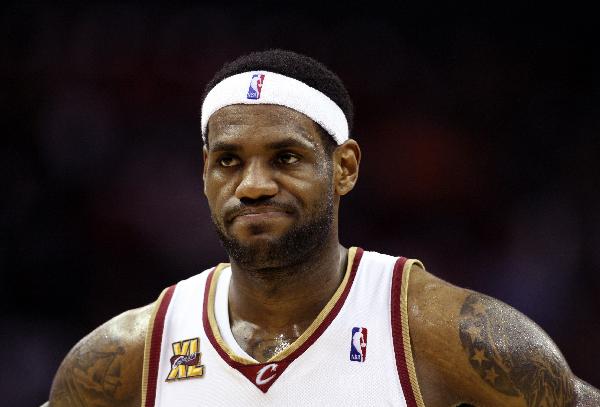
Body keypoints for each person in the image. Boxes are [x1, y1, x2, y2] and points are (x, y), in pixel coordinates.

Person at [46, 49, 599, 407]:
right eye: (229, 161)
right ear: (205, 174)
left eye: (285, 158)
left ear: (345, 168)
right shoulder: (130, 354)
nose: (254, 185)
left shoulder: (438, 331)